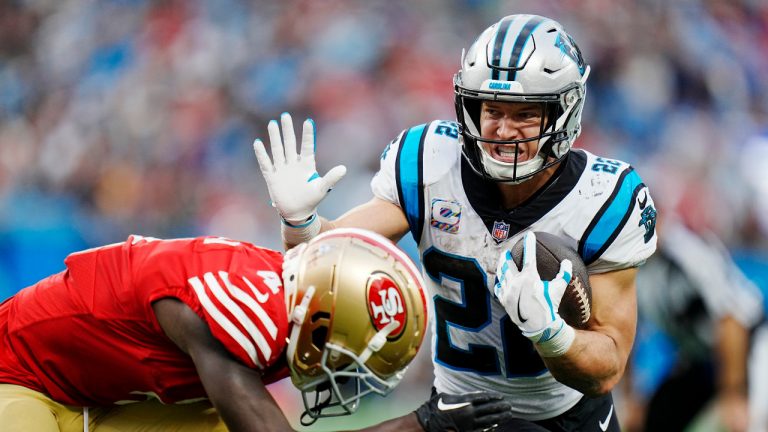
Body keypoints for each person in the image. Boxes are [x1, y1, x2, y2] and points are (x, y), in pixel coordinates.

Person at [254, 13, 658, 432]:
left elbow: (607, 365)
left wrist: (550, 332)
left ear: (564, 112)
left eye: (524, 115)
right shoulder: (431, 161)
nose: (503, 130)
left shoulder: (602, 198)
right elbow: (332, 260)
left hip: (562, 418)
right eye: (491, 109)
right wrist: (301, 224)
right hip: (458, 411)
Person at [0, 228, 515, 432]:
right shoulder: (234, 316)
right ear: (317, 319)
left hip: (96, 392)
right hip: (19, 376)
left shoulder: (294, 294)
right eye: (340, 354)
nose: (336, 373)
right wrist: (417, 425)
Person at [620, 214, 765, 432]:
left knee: (746, 424)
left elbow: (732, 319)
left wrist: (734, 393)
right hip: (702, 356)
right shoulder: (630, 266)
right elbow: (626, 335)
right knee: (654, 419)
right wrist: (631, 398)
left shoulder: (687, 252)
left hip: (751, 344)